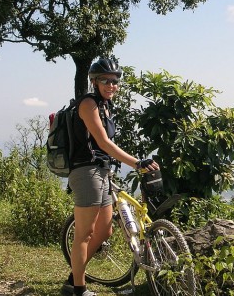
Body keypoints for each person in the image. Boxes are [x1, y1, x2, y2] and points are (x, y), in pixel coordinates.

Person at [61, 58, 159, 296]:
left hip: (101, 170)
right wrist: (137, 162)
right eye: (105, 80)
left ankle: (73, 279)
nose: (111, 85)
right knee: (84, 234)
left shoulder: (105, 106)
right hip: (86, 172)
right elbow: (104, 142)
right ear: (94, 81)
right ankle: (79, 290)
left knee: (105, 231)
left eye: (115, 81)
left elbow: (105, 143)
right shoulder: (88, 104)